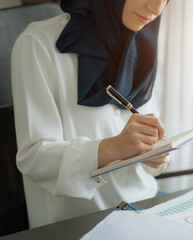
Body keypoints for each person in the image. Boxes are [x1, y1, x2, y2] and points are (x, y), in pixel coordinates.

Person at [11, 0, 169, 228]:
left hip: (144, 207)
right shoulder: (38, 44)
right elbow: (33, 157)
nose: (156, 8)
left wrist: (155, 154)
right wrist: (113, 148)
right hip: (77, 222)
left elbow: (149, 146)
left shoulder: (143, 42)